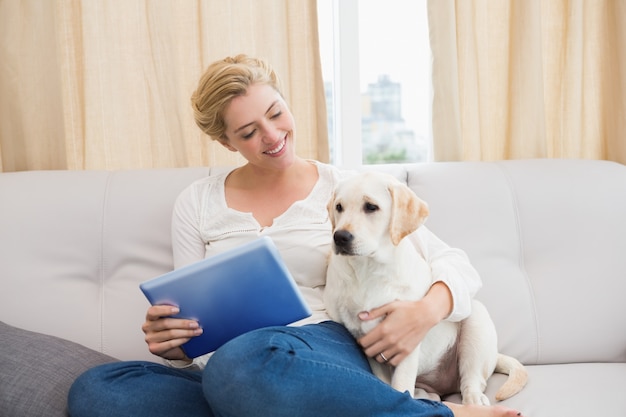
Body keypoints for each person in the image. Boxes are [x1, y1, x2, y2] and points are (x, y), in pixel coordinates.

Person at [68, 54, 524, 417]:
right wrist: (176, 344)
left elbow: (452, 263)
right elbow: (192, 310)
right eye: (248, 132)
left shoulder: (347, 192)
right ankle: (267, 404)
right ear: (227, 143)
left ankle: (430, 416)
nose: (272, 136)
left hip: (322, 345)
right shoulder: (196, 202)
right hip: (231, 365)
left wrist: (425, 312)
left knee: (244, 364)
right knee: (98, 390)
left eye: (275, 113)